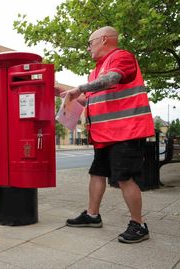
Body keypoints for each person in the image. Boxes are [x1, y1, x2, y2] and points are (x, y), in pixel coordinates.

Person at [58, 26, 155, 244]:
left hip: (126, 131)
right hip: (103, 135)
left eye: (90, 43)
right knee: (97, 173)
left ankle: (139, 225)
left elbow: (112, 79)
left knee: (123, 177)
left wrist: (79, 88)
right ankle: (92, 216)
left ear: (103, 40)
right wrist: (64, 95)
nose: (88, 48)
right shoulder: (95, 71)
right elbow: (88, 99)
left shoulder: (121, 57)